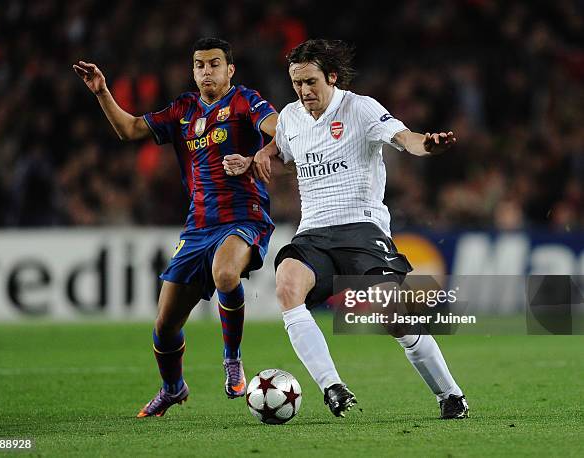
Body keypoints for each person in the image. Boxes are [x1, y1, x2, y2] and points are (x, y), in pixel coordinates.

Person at [224, 39, 468, 420]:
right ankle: (332, 387)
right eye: (297, 83)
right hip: (314, 233)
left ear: (331, 77)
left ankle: (450, 394)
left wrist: (429, 144)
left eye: (311, 82)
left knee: (394, 318)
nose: (304, 91)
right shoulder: (290, 116)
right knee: (288, 284)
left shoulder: (360, 108)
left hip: (361, 228)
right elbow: (283, 151)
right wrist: (257, 157)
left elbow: (406, 140)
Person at [74, 37, 278, 417]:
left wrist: (257, 154)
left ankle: (232, 360)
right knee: (165, 326)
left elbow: (280, 128)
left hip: (244, 216)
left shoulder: (245, 101)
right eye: (199, 65)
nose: (206, 71)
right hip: (198, 227)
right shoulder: (184, 109)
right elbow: (130, 130)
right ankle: (173, 387)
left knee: (225, 274)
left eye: (214, 64)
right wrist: (102, 93)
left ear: (229, 70)